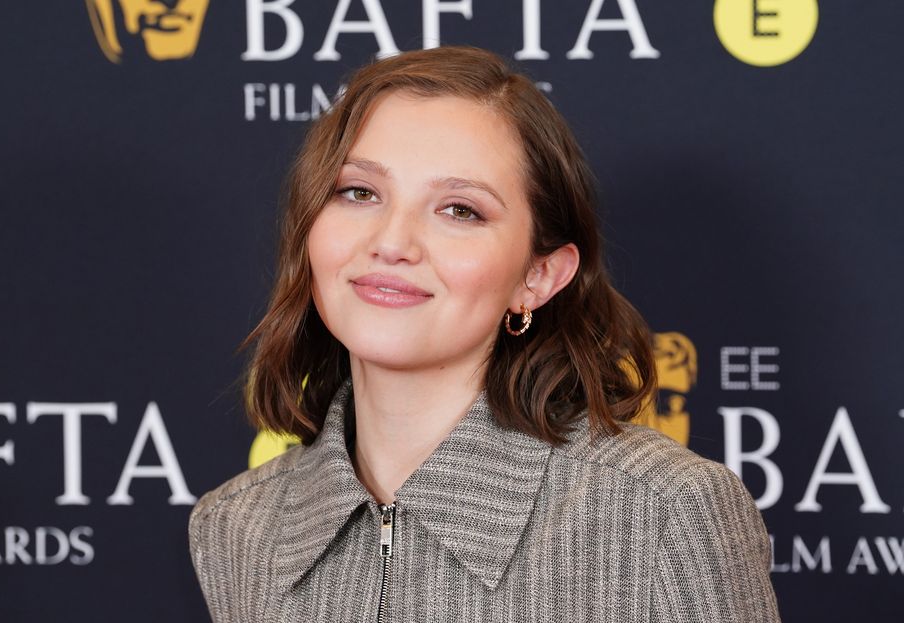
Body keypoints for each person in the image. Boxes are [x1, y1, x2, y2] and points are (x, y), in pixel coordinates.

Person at [188, 45, 781, 622]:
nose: (391, 243)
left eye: (460, 210)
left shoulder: (664, 511)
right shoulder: (236, 528)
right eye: (359, 192)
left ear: (538, 276)